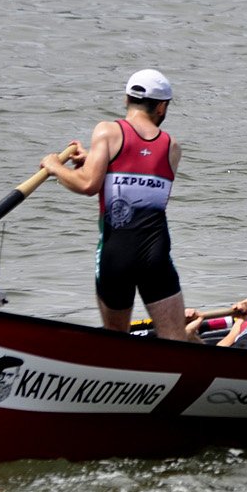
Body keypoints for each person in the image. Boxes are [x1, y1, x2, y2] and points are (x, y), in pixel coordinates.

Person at [41, 69, 186, 340]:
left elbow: (88, 184)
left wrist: (54, 167)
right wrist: (96, 159)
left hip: (116, 253)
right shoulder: (172, 147)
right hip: (156, 254)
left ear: (126, 99)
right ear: (162, 107)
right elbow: (139, 176)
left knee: (116, 338)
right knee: (175, 338)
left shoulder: (107, 131)